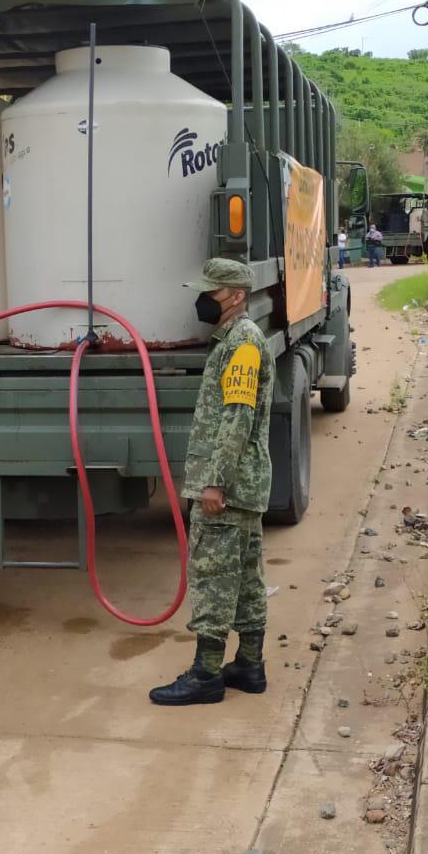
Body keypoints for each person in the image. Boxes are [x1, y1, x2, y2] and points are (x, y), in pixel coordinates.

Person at [150, 258, 273, 706]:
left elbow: (237, 417)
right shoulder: (236, 340)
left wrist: (215, 483)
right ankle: (250, 664)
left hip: (230, 486)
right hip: (247, 485)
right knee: (245, 576)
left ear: (236, 296)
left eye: (211, 291)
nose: (203, 299)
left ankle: (205, 674)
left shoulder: (242, 344)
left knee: (213, 577)